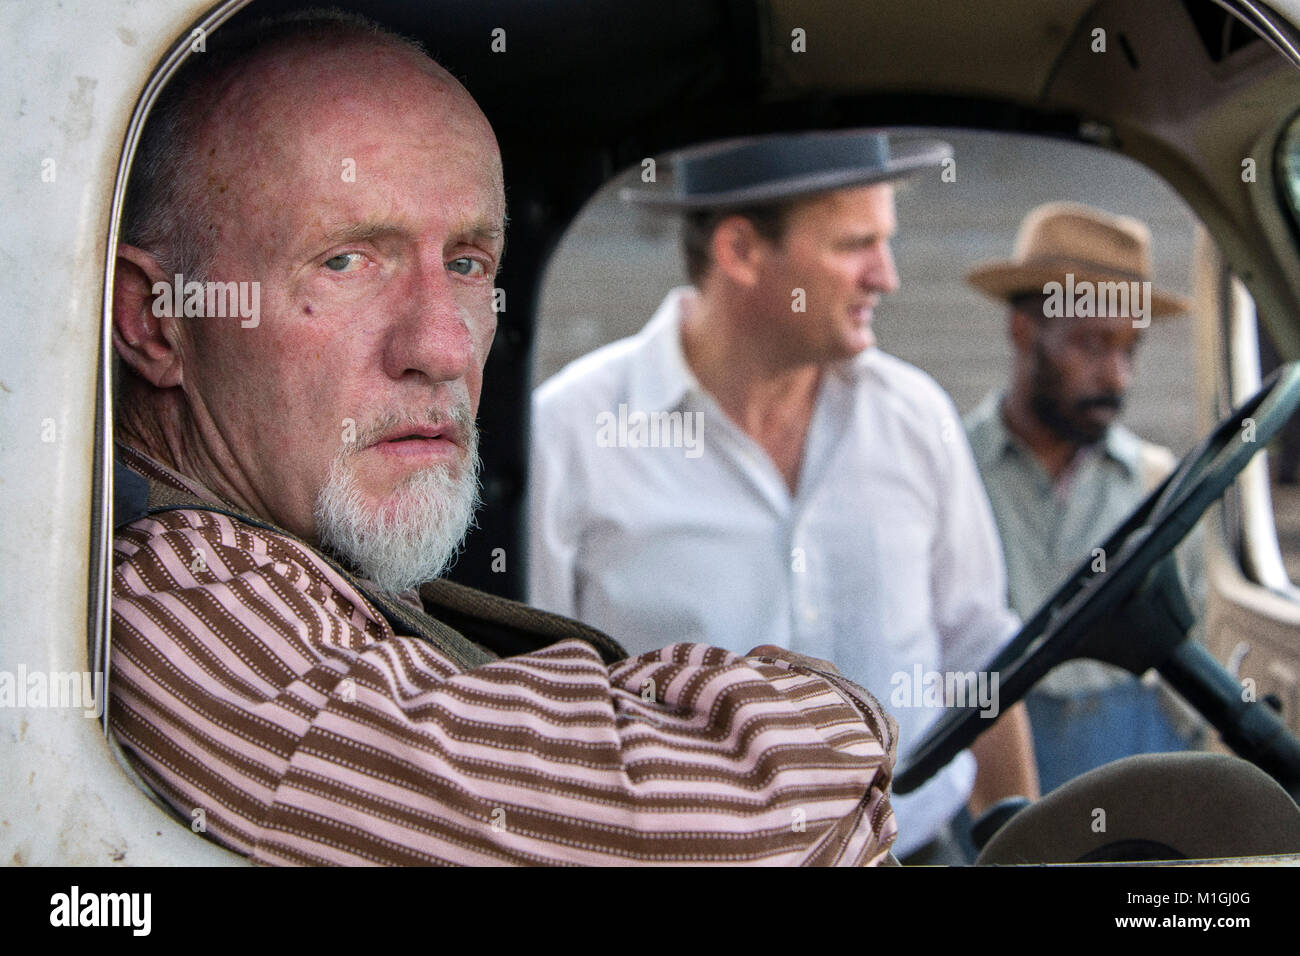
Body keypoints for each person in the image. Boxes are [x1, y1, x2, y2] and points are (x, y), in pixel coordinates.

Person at [108, 10, 901, 866]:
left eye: (466, 264)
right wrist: (844, 720)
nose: (444, 347)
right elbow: (744, 828)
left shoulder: (301, 571)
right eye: (345, 262)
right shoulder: (177, 604)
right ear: (158, 320)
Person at [529, 131, 1040, 863]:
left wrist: (1029, 855)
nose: (886, 276)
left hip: (917, 850)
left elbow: (978, 650)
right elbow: (537, 706)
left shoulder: (914, 416)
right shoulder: (571, 436)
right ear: (739, 252)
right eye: (854, 245)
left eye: (885, 241)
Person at [963, 201, 1201, 793]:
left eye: (1129, 349)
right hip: (984, 775)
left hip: (1132, 773)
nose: (1117, 375)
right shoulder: (951, 470)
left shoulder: (1153, 483)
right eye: (1091, 344)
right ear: (1024, 329)